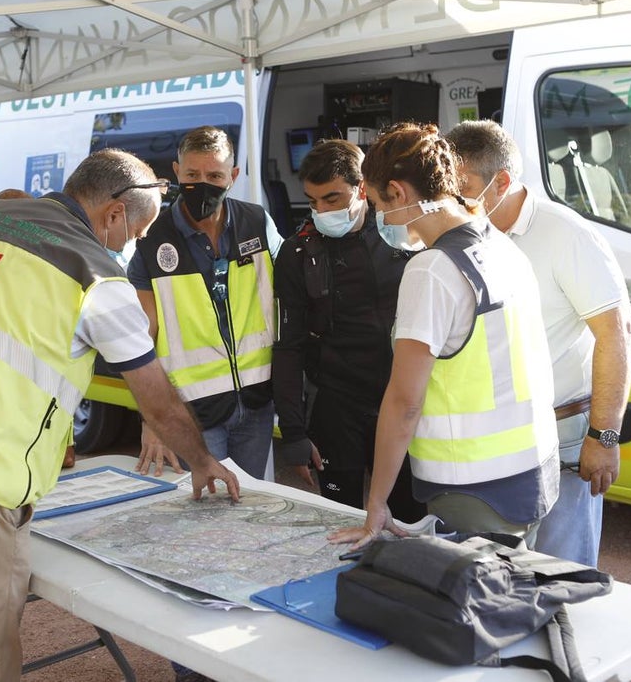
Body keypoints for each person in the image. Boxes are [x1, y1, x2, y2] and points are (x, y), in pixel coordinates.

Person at [0, 148, 240, 682]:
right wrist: (201, 461)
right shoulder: (96, 275)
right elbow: (157, 399)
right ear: (115, 213)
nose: (136, 244)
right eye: (138, 232)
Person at [329, 122, 559, 550]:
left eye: (379, 205)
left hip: (471, 486)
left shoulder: (432, 269)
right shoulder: (500, 244)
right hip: (532, 471)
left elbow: (404, 402)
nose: (382, 219)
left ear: (398, 192)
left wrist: (376, 502)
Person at [448, 119, 631, 566]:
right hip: (487, 434)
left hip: (562, 431)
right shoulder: (464, 236)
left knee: (560, 572)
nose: (451, 198)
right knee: (491, 571)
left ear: (503, 182)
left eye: (462, 186)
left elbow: (616, 332)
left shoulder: (565, 234)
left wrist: (604, 435)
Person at [272, 139, 426, 523]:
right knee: (339, 517)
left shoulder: (402, 236)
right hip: (336, 406)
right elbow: (287, 346)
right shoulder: (297, 254)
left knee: (408, 519)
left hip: (400, 400)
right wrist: (293, 434)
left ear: (362, 188)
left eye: (332, 199)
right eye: (312, 201)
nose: (322, 211)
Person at [127, 126, 283, 482]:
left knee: (249, 503)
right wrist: (152, 419)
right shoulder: (153, 239)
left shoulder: (257, 224)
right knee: (204, 515)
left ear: (233, 176)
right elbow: (141, 339)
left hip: (256, 404)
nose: (202, 184)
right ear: (177, 172)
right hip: (190, 413)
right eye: (193, 175)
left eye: (214, 175)